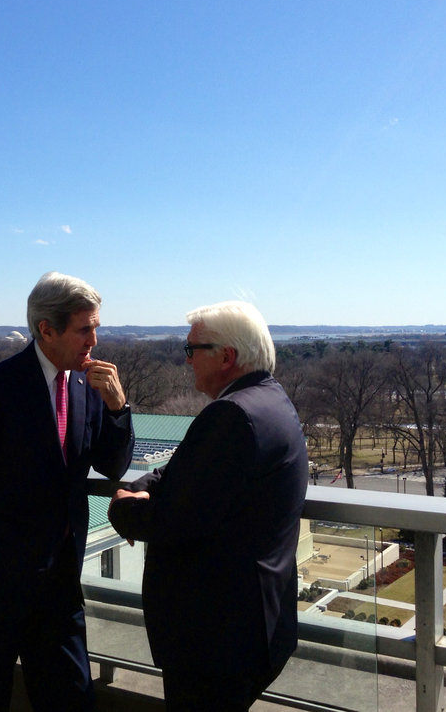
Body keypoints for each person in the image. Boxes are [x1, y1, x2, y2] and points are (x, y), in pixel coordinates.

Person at [0, 271, 135, 712]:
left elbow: (113, 464)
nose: (94, 341)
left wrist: (119, 408)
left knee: (71, 697)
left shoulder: (87, 384)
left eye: (96, 327)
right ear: (47, 329)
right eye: (85, 329)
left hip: (60, 582)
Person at [108, 301, 307, 711]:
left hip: (215, 639)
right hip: (252, 623)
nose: (187, 360)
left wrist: (122, 510)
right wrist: (143, 484)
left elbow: (178, 519)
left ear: (227, 357)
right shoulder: (268, 401)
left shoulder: (231, 416)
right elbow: (185, 474)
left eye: (192, 350)